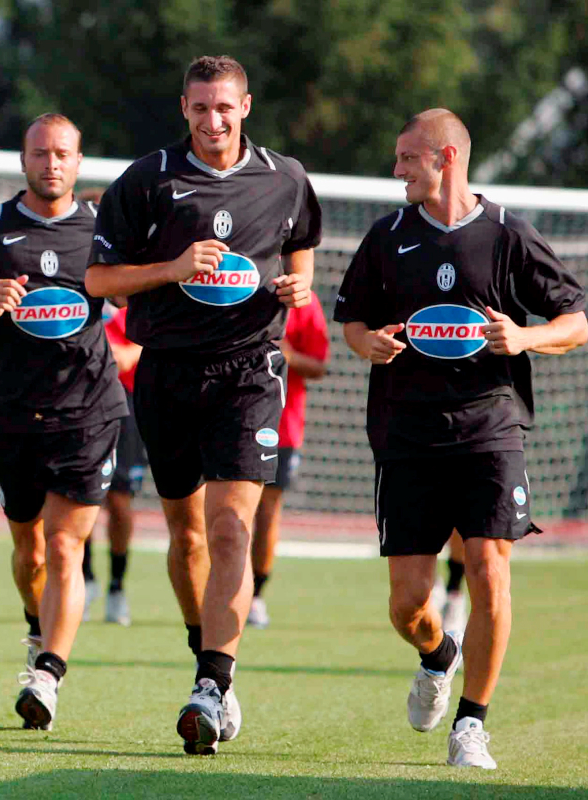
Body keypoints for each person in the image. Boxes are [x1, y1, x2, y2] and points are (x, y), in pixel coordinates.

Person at [334, 108, 587, 769]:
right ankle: (436, 655)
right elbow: (352, 321)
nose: (396, 170)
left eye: (407, 158)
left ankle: (471, 725)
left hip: (491, 428)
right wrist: (370, 345)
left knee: (489, 572)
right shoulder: (387, 237)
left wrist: (526, 336)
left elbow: (578, 319)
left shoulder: (508, 234)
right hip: (407, 434)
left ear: (445, 158)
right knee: (407, 604)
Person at [86, 55, 322, 755]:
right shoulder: (147, 179)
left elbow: (301, 249)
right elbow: (99, 277)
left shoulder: (288, 177)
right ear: (183, 108)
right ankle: (206, 658)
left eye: (225, 107)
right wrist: (172, 267)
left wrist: (297, 288)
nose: (213, 120)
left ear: (245, 106)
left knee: (228, 531)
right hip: (166, 375)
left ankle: (213, 686)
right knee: (187, 535)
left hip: (249, 370)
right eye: (200, 108)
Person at [0, 113, 128, 730]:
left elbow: (134, 291)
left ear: (78, 162)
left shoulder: (105, 230)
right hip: (13, 412)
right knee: (28, 552)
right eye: (40, 153)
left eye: (62, 154)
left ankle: (48, 673)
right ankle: (37, 627)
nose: (51, 163)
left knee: (64, 544)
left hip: (89, 410)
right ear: (23, 159)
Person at [75, 187, 143, 627]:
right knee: (78, 498)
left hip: (127, 402)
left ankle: (117, 585)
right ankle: (84, 577)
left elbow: (143, 336)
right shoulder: (72, 274)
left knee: (120, 502)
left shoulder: (132, 275)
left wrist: (126, 353)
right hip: (77, 401)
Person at [248, 292, 329, 629]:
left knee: (267, 513)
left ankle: (255, 596)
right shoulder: (238, 285)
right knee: (223, 511)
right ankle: (222, 588)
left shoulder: (303, 300)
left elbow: (318, 365)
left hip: (282, 426)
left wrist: (286, 354)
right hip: (231, 420)